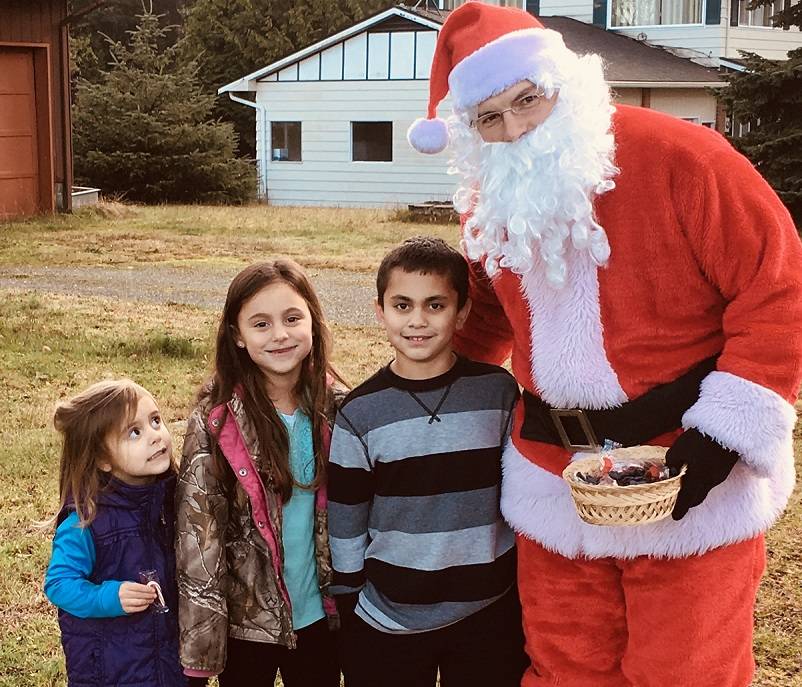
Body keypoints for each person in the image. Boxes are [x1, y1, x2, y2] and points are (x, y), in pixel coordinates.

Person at [407, 4, 802, 687]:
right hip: (554, 481)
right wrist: (411, 391)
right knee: (565, 669)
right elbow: (485, 320)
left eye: (527, 101)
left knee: (685, 672)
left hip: (685, 471)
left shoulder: (686, 158)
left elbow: (779, 286)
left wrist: (725, 432)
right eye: (489, 119)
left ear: (565, 83)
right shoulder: (492, 198)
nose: (516, 130)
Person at [328, 236, 527, 687]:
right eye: (402, 305)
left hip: (487, 610)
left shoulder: (496, 392)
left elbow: (518, 489)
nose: (417, 320)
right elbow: (346, 519)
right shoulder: (360, 413)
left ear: (462, 312)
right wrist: (350, 600)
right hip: (388, 617)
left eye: (435, 306)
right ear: (380, 311)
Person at [175, 260, 344, 686]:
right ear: (238, 335)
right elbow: (198, 539)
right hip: (246, 626)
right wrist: (200, 650)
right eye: (261, 323)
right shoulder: (214, 422)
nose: (280, 334)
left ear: (313, 321)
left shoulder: (341, 410)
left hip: (323, 616)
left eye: (292, 318)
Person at [44, 379, 185, 687]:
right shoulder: (85, 522)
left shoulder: (170, 503)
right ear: (102, 460)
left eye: (156, 421)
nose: (155, 436)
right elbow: (58, 584)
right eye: (134, 432)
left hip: (164, 662)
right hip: (110, 671)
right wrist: (108, 596)